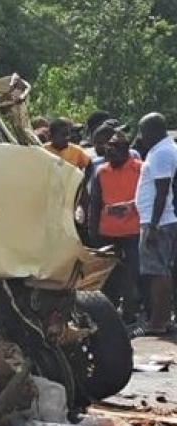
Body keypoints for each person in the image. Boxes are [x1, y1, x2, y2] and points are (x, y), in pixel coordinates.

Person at [132, 112, 177, 336]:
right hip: (159, 219)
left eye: (142, 131)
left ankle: (157, 322)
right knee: (162, 272)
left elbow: (162, 191)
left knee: (157, 273)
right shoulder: (165, 149)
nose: (140, 136)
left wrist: (152, 226)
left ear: (153, 131)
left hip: (157, 222)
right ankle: (163, 319)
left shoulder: (160, 153)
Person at [92, 132, 142, 324]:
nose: (110, 152)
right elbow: (95, 203)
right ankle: (109, 316)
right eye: (108, 149)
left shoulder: (139, 169)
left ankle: (130, 314)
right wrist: (93, 233)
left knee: (131, 273)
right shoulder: (102, 172)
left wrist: (129, 205)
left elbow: (148, 197)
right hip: (107, 232)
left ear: (125, 151)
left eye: (115, 149)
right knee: (107, 277)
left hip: (132, 232)